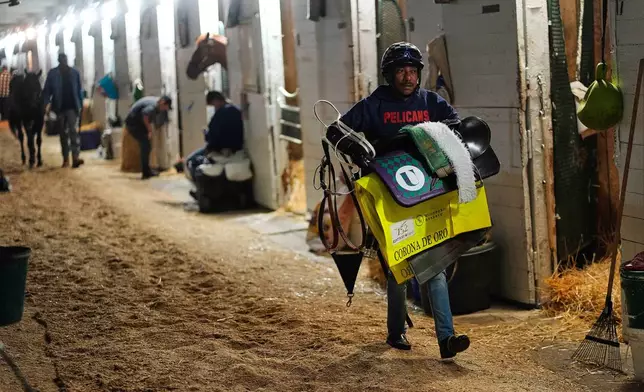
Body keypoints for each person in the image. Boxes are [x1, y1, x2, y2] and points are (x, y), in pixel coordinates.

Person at [328, 42, 469, 360]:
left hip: (427, 193)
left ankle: (446, 338)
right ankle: (396, 333)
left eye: (413, 71)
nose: (408, 77)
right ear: (390, 74)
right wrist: (362, 150)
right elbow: (336, 132)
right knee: (398, 265)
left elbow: (454, 124)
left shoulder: (430, 102)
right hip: (389, 194)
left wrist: (446, 138)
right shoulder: (375, 104)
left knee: (434, 266)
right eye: (401, 71)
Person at [185, 91, 244, 183]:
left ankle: (200, 190)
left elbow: (213, 136)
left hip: (219, 148)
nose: (214, 108)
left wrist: (206, 134)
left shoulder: (221, 113)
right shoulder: (235, 110)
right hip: (235, 146)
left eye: (213, 105)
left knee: (191, 160)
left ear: (216, 101)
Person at [43, 53, 85, 168]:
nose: (63, 62)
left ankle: (75, 157)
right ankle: (66, 159)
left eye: (64, 60)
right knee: (63, 134)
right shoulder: (53, 74)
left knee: (73, 132)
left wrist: (80, 105)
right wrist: (45, 105)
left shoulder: (74, 73)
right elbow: (47, 91)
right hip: (59, 108)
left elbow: (79, 89)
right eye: (62, 60)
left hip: (72, 107)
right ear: (59, 61)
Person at [124, 95, 172, 179]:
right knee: (145, 145)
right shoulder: (153, 106)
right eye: (165, 107)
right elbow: (145, 116)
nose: (165, 110)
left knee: (147, 145)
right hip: (133, 124)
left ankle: (147, 169)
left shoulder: (155, 102)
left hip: (136, 122)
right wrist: (149, 130)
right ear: (162, 103)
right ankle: (145, 172)